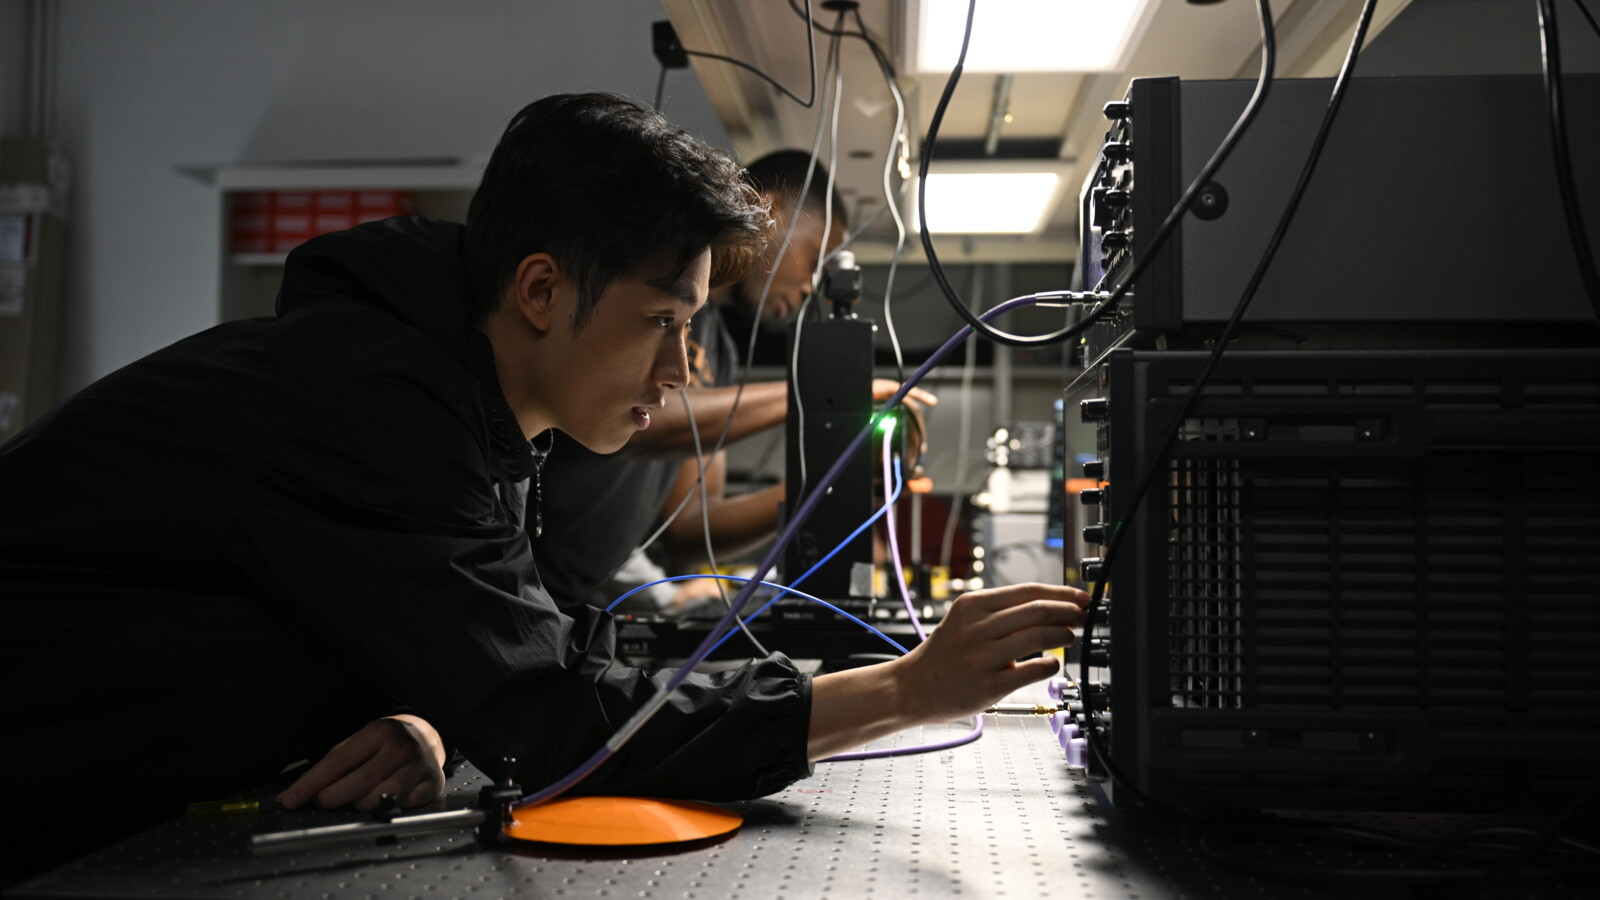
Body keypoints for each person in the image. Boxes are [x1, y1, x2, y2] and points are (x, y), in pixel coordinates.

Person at [0, 93, 1084, 886]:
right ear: (538, 290)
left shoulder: (457, 410)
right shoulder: (374, 405)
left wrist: (430, 705)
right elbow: (558, 716)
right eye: (662, 323)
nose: (677, 369)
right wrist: (903, 691)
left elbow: (468, 640)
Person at [532, 151, 935, 613]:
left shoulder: (717, 352)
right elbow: (636, 421)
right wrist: (820, 399)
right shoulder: (647, 285)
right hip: (523, 578)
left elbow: (692, 531)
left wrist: (830, 484)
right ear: (772, 210)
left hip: (580, 608)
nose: (810, 288)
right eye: (813, 259)